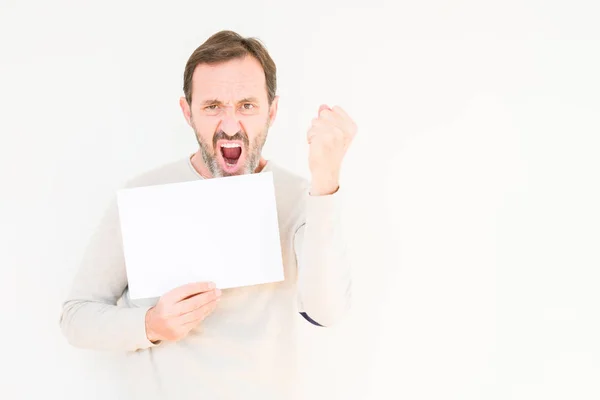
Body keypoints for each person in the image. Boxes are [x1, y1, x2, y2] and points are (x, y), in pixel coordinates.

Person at [59, 30, 356, 400]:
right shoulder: (143, 194)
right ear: (188, 112)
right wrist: (150, 324)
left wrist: (325, 181)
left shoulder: (301, 196)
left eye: (247, 105)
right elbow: (76, 318)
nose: (230, 125)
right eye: (212, 106)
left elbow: (326, 310)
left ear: (272, 111)